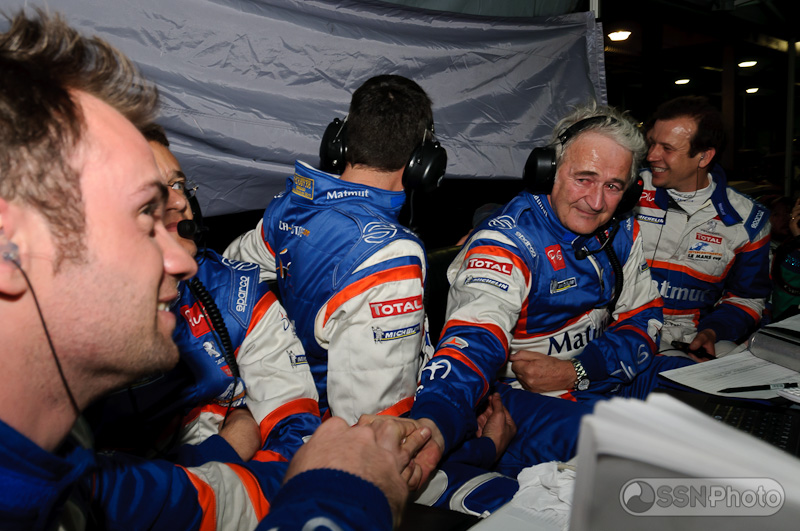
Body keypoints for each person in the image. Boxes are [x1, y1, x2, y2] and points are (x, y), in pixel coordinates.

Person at [0, 10, 427, 530]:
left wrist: (321, 474)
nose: (185, 261)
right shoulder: (388, 251)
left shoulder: (79, 481)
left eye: (178, 192)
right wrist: (343, 491)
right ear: (9, 247)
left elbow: (201, 501)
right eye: (145, 215)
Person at [373, 103, 695, 479]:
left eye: (612, 186)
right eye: (584, 179)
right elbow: (474, 342)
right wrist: (433, 425)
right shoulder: (506, 243)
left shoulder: (621, 229)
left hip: (594, 372)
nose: (596, 202)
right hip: (518, 396)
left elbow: (645, 319)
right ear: (549, 171)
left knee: (702, 389)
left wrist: (579, 370)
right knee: (632, 448)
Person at [87, 124, 321, 464]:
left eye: (178, 185)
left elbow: (295, 430)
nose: (180, 201)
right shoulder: (62, 316)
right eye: (154, 188)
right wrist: (231, 443)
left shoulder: (236, 293)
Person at [225, 74, 441, 424]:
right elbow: (373, 424)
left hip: (285, 410)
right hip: (329, 433)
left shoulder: (292, 206)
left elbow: (229, 276)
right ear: (423, 162)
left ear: (338, 141)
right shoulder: (392, 256)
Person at [636, 95, 771, 357]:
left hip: (694, 337)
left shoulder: (748, 220)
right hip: (626, 329)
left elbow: (748, 298)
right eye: (652, 143)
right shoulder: (626, 192)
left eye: (667, 148)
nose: (651, 155)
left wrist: (713, 331)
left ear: (704, 156)